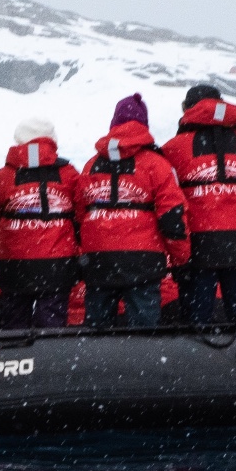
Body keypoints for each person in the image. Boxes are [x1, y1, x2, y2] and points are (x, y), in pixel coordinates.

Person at [160, 85, 236, 325]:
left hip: (199, 247)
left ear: (187, 109)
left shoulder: (174, 148)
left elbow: (165, 194)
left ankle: (196, 361)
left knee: (196, 321)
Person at [75, 94, 188, 329]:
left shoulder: (90, 165)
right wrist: (181, 258)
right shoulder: (156, 164)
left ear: (113, 123)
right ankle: (145, 363)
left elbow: (79, 213)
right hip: (142, 260)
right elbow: (172, 216)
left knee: (96, 327)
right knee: (144, 329)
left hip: (98, 259)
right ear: (143, 124)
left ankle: (96, 363)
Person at [0, 117, 80, 329]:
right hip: (57, 263)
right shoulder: (68, 173)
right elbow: (80, 213)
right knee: (51, 323)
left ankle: (14, 360)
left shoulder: (3, 176)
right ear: (52, 140)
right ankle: (49, 361)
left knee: (14, 319)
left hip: (13, 262)